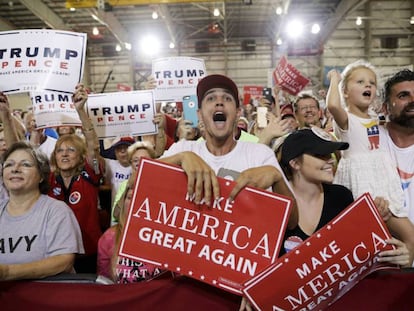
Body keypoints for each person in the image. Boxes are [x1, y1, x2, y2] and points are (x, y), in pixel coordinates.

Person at [161, 74, 297, 229]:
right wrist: (181, 158)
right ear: (200, 114)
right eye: (211, 98)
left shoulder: (260, 155)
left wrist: (277, 177)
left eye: (227, 98)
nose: (219, 102)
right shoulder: (183, 148)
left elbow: (291, 223)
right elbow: (136, 184)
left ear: (238, 112)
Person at [278, 128, 410, 266]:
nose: (330, 160)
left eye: (330, 154)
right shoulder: (277, 205)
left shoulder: (340, 197)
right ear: (295, 163)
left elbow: (355, 251)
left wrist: (394, 252)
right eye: (320, 155)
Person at [326, 60, 405, 218]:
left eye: (372, 83)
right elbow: (333, 106)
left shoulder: (376, 117)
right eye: (360, 82)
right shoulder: (347, 119)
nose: (368, 85)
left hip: (384, 176)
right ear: (345, 92)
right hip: (362, 178)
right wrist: (335, 79)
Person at [0, 141, 84, 280]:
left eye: (25, 164)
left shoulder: (57, 211)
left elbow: (63, 262)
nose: (15, 169)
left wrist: (8, 272)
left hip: (45, 297)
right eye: (9, 164)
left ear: (41, 176)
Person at [48, 84, 104, 273]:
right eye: (60, 151)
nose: (64, 155)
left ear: (81, 157)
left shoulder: (90, 174)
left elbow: (93, 145)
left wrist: (81, 111)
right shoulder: (49, 180)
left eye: (71, 150)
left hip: (88, 253)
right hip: (56, 254)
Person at [97, 173, 165, 282]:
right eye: (130, 197)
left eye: (140, 197)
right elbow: (104, 281)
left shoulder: (164, 237)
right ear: (123, 202)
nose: (134, 202)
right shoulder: (109, 238)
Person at [109, 140, 156, 225]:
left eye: (145, 159)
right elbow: (115, 215)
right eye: (135, 160)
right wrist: (127, 189)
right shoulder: (124, 185)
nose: (140, 163)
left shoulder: (159, 184)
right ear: (131, 164)